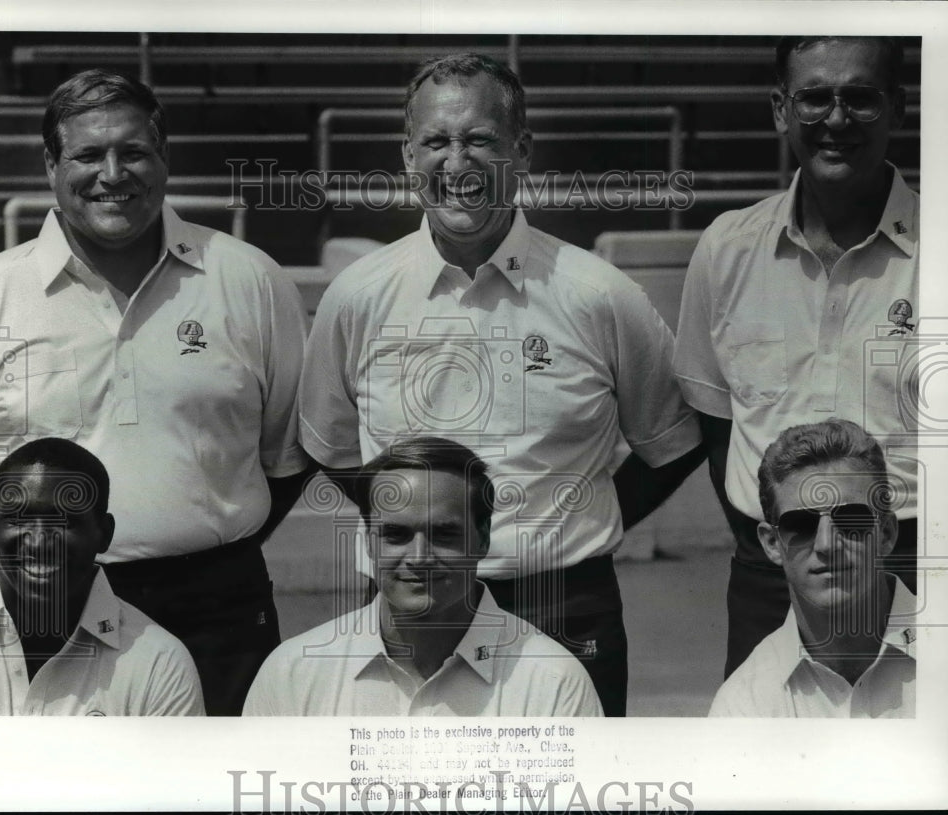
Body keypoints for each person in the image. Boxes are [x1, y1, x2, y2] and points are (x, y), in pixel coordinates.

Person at [298, 53, 704, 716]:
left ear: (523, 151)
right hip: (410, 604)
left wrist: (579, 518)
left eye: (481, 139)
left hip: (564, 603)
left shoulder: (600, 295)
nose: (457, 163)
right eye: (436, 141)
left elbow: (673, 443)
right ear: (407, 155)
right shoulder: (358, 296)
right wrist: (415, 526)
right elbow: (332, 446)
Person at [0, 69, 310, 715]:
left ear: (164, 158)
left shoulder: (251, 280)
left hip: (218, 606)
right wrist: (49, 562)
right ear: (50, 164)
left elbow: (286, 455)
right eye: (89, 154)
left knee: (214, 786)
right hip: (46, 605)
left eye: (133, 151)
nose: (113, 172)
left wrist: (205, 537)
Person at [673, 36, 918, 678]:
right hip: (772, 569)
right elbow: (717, 422)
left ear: (899, 106)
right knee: (762, 762)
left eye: (860, 98)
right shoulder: (727, 248)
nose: (835, 120)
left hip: (915, 558)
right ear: (781, 109)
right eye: (815, 98)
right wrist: (783, 535)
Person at [244, 437, 603, 716]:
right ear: (369, 542)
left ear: (482, 538)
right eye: (396, 535)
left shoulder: (554, 684)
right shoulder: (292, 675)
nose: (419, 558)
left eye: (444, 535)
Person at [0, 438, 205, 716]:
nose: (39, 542)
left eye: (66, 520)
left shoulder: (160, 665)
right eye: (19, 519)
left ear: (104, 534)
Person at [709, 419, 915, 717]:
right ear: (771, 544)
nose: (826, 544)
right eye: (801, 525)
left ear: (886, 534)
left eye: (850, 519)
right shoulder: (744, 705)